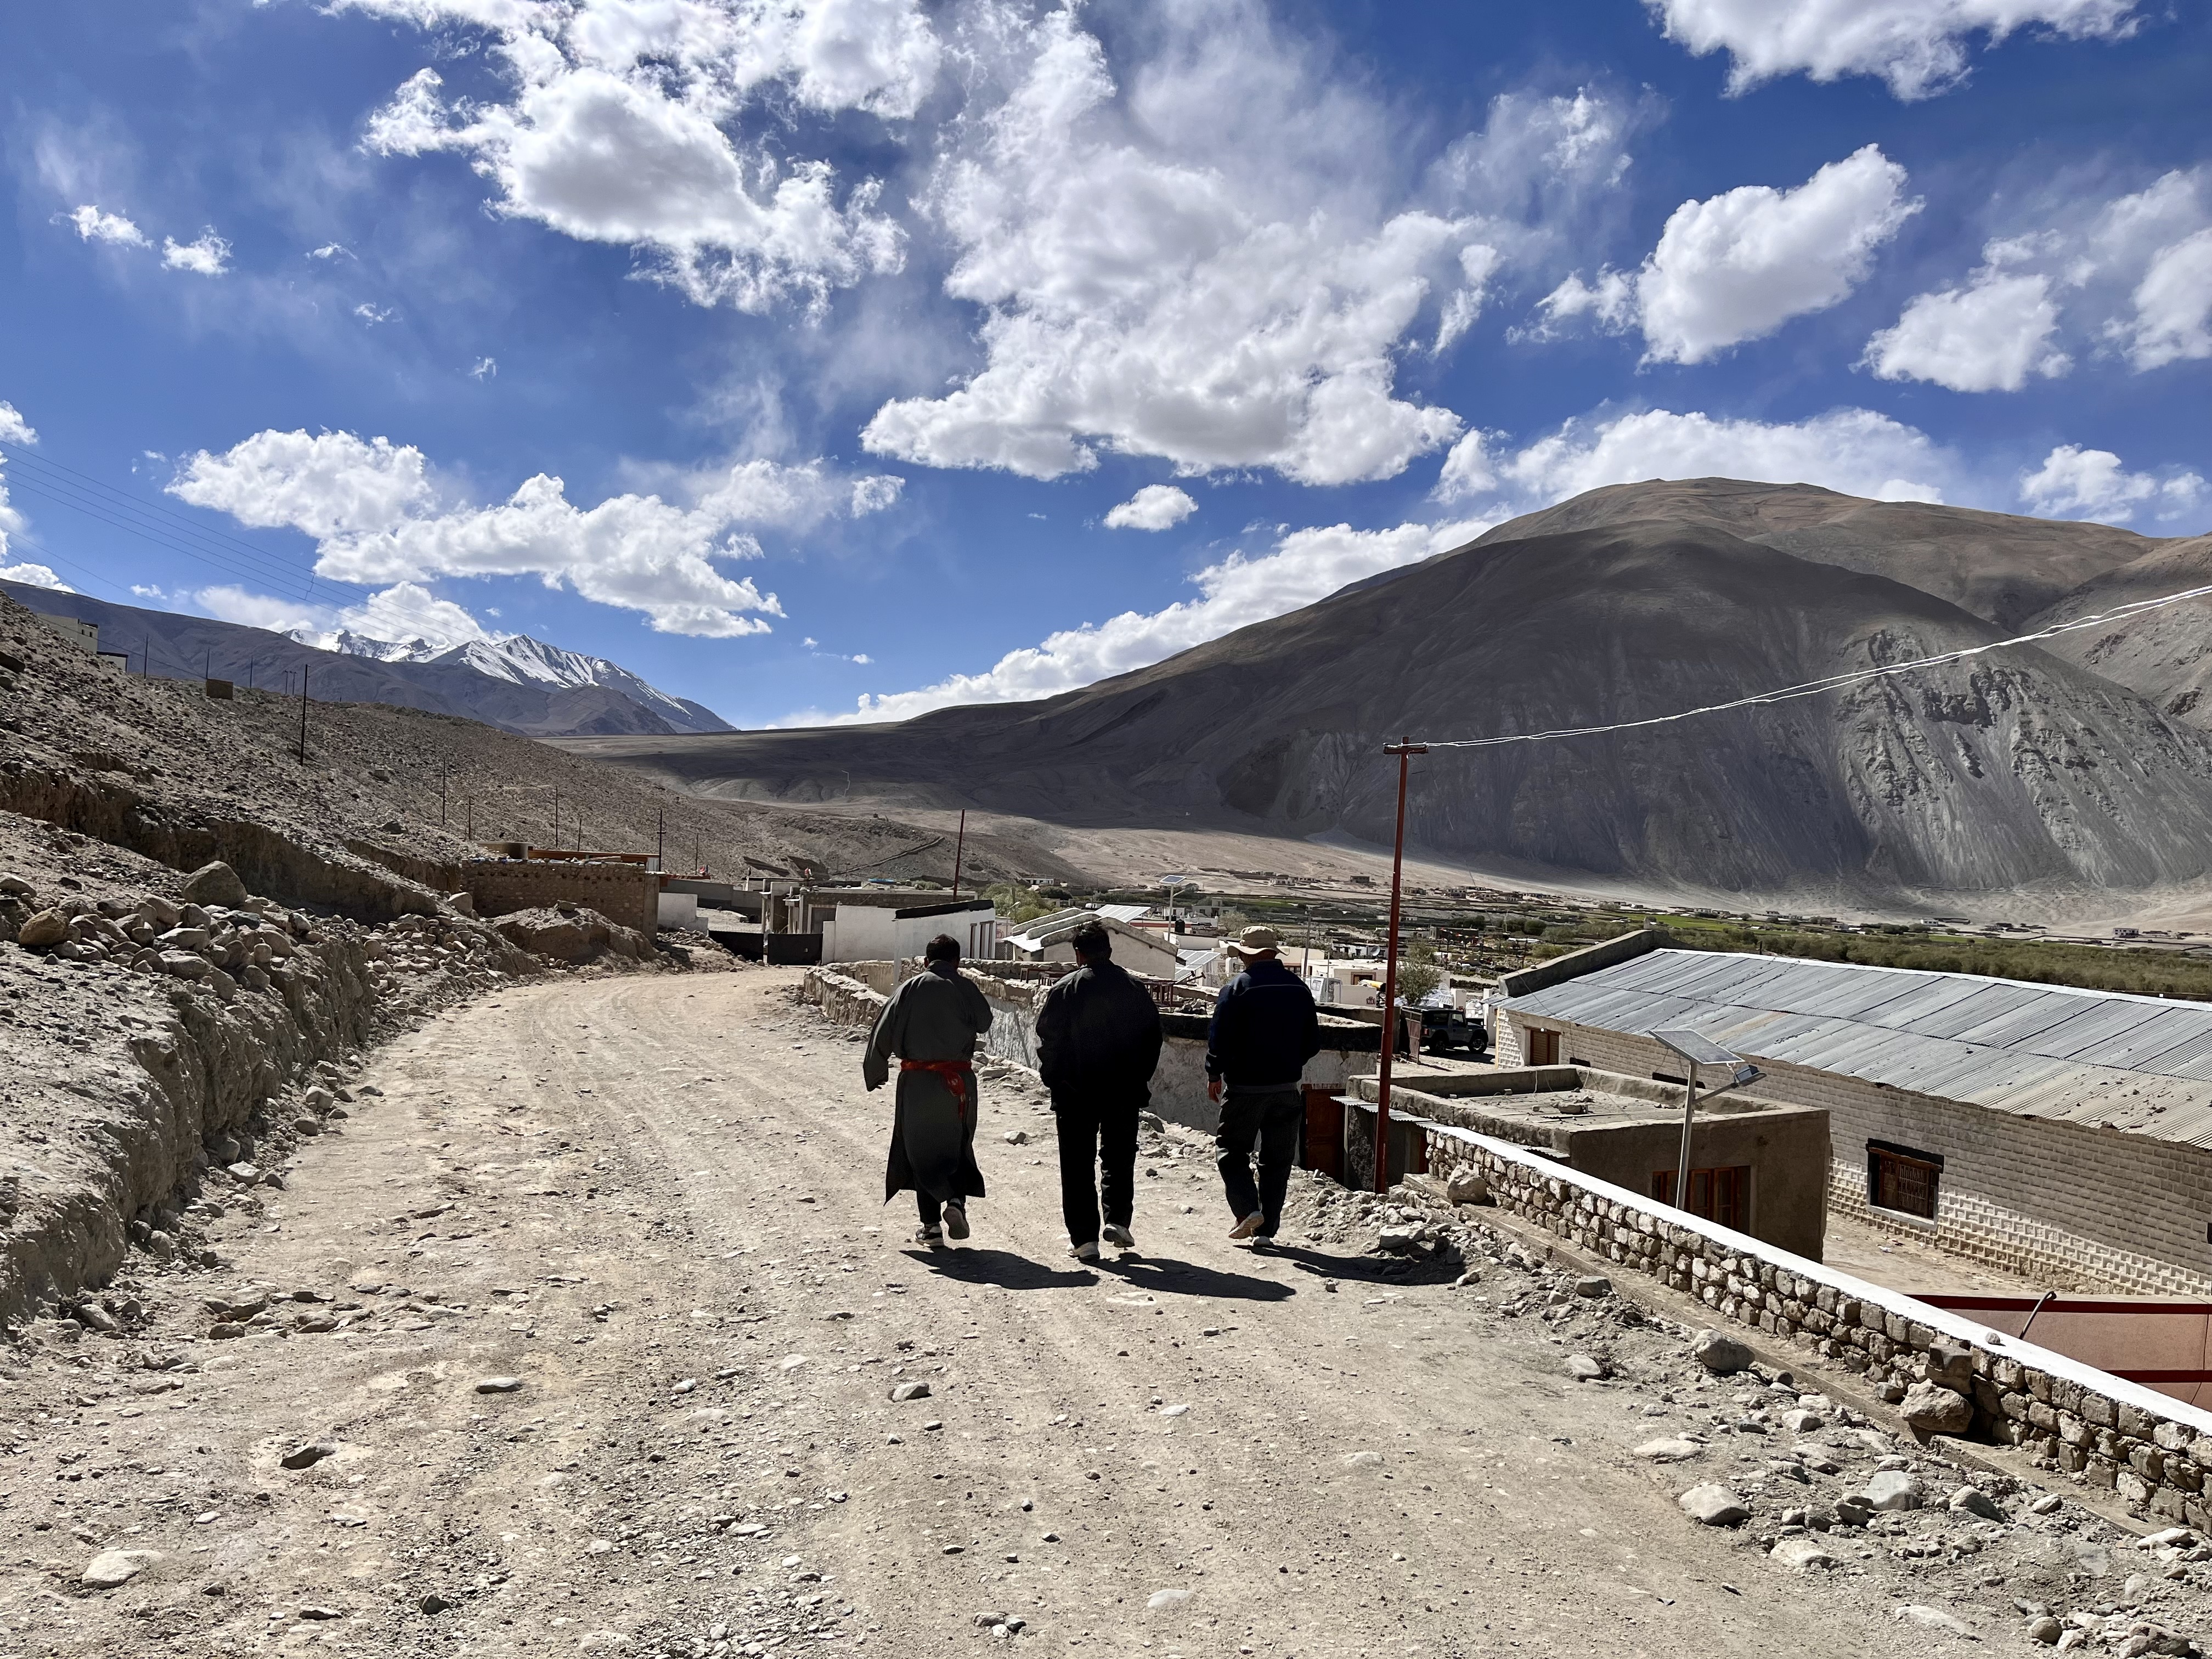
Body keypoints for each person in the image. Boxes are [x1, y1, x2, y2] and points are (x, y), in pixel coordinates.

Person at [1034, 921, 1164, 1262]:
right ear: (1109, 951)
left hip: (1075, 1093)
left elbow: (1049, 1041)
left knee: (1077, 1164)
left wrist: (1055, 1080)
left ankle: (1085, 1241)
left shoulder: (1065, 989)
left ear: (1079, 954)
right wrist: (1139, 1080)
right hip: (1123, 1092)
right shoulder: (1134, 989)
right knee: (1119, 1157)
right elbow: (1153, 1040)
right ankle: (1118, 1221)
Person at [864, 933, 994, 1249]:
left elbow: (882, 1030)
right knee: (957, 1145)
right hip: (959, 1085)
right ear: (957, 961)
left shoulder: (909, 988)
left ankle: (932, 1227)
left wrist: (875, 1071)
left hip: (918, 1084)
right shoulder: (965, 987)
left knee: (920, 1151)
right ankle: (956, 1202)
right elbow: (985, 1022)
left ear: (925, 961)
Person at [1206, 924, 1321, 1244]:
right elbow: (1313, 1043)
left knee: (1231, 1150)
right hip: (1286, 1090)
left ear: (1247, 954)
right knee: (1277, 1161)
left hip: (1244, 1090)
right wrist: (1288, 1064)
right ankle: (1266, 1232)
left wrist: (1214, 1074)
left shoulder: (1237, 988)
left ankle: (1247, 1210)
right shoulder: (1299, 989)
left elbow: (1219, 1038)